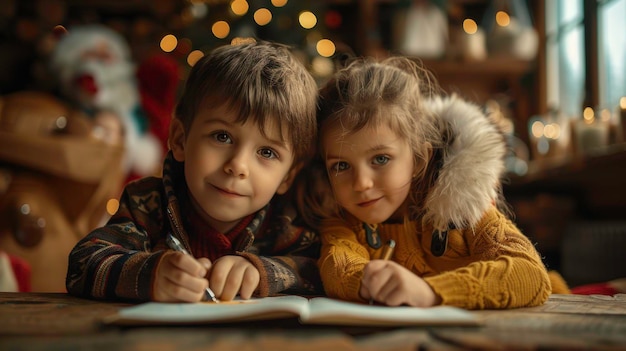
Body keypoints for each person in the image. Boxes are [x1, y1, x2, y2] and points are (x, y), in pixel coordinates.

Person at [66, 39, 322, 302]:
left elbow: (321, 269)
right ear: (179, 139)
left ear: (288, 176)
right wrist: (150, 275)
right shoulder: (146, 205)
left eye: (267, 152)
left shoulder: (284, 221)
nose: (237, 166)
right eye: (221, 136)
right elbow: (82, 264)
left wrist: (262, 271)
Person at [306, 56, 551, 309]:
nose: (361, 183)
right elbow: (338, 269)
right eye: (341, 166)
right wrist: (368, 282)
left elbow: (530, 274)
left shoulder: (462, 210)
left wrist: (430, 292)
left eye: (380, 159)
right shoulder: (342, 219)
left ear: (418, 159)